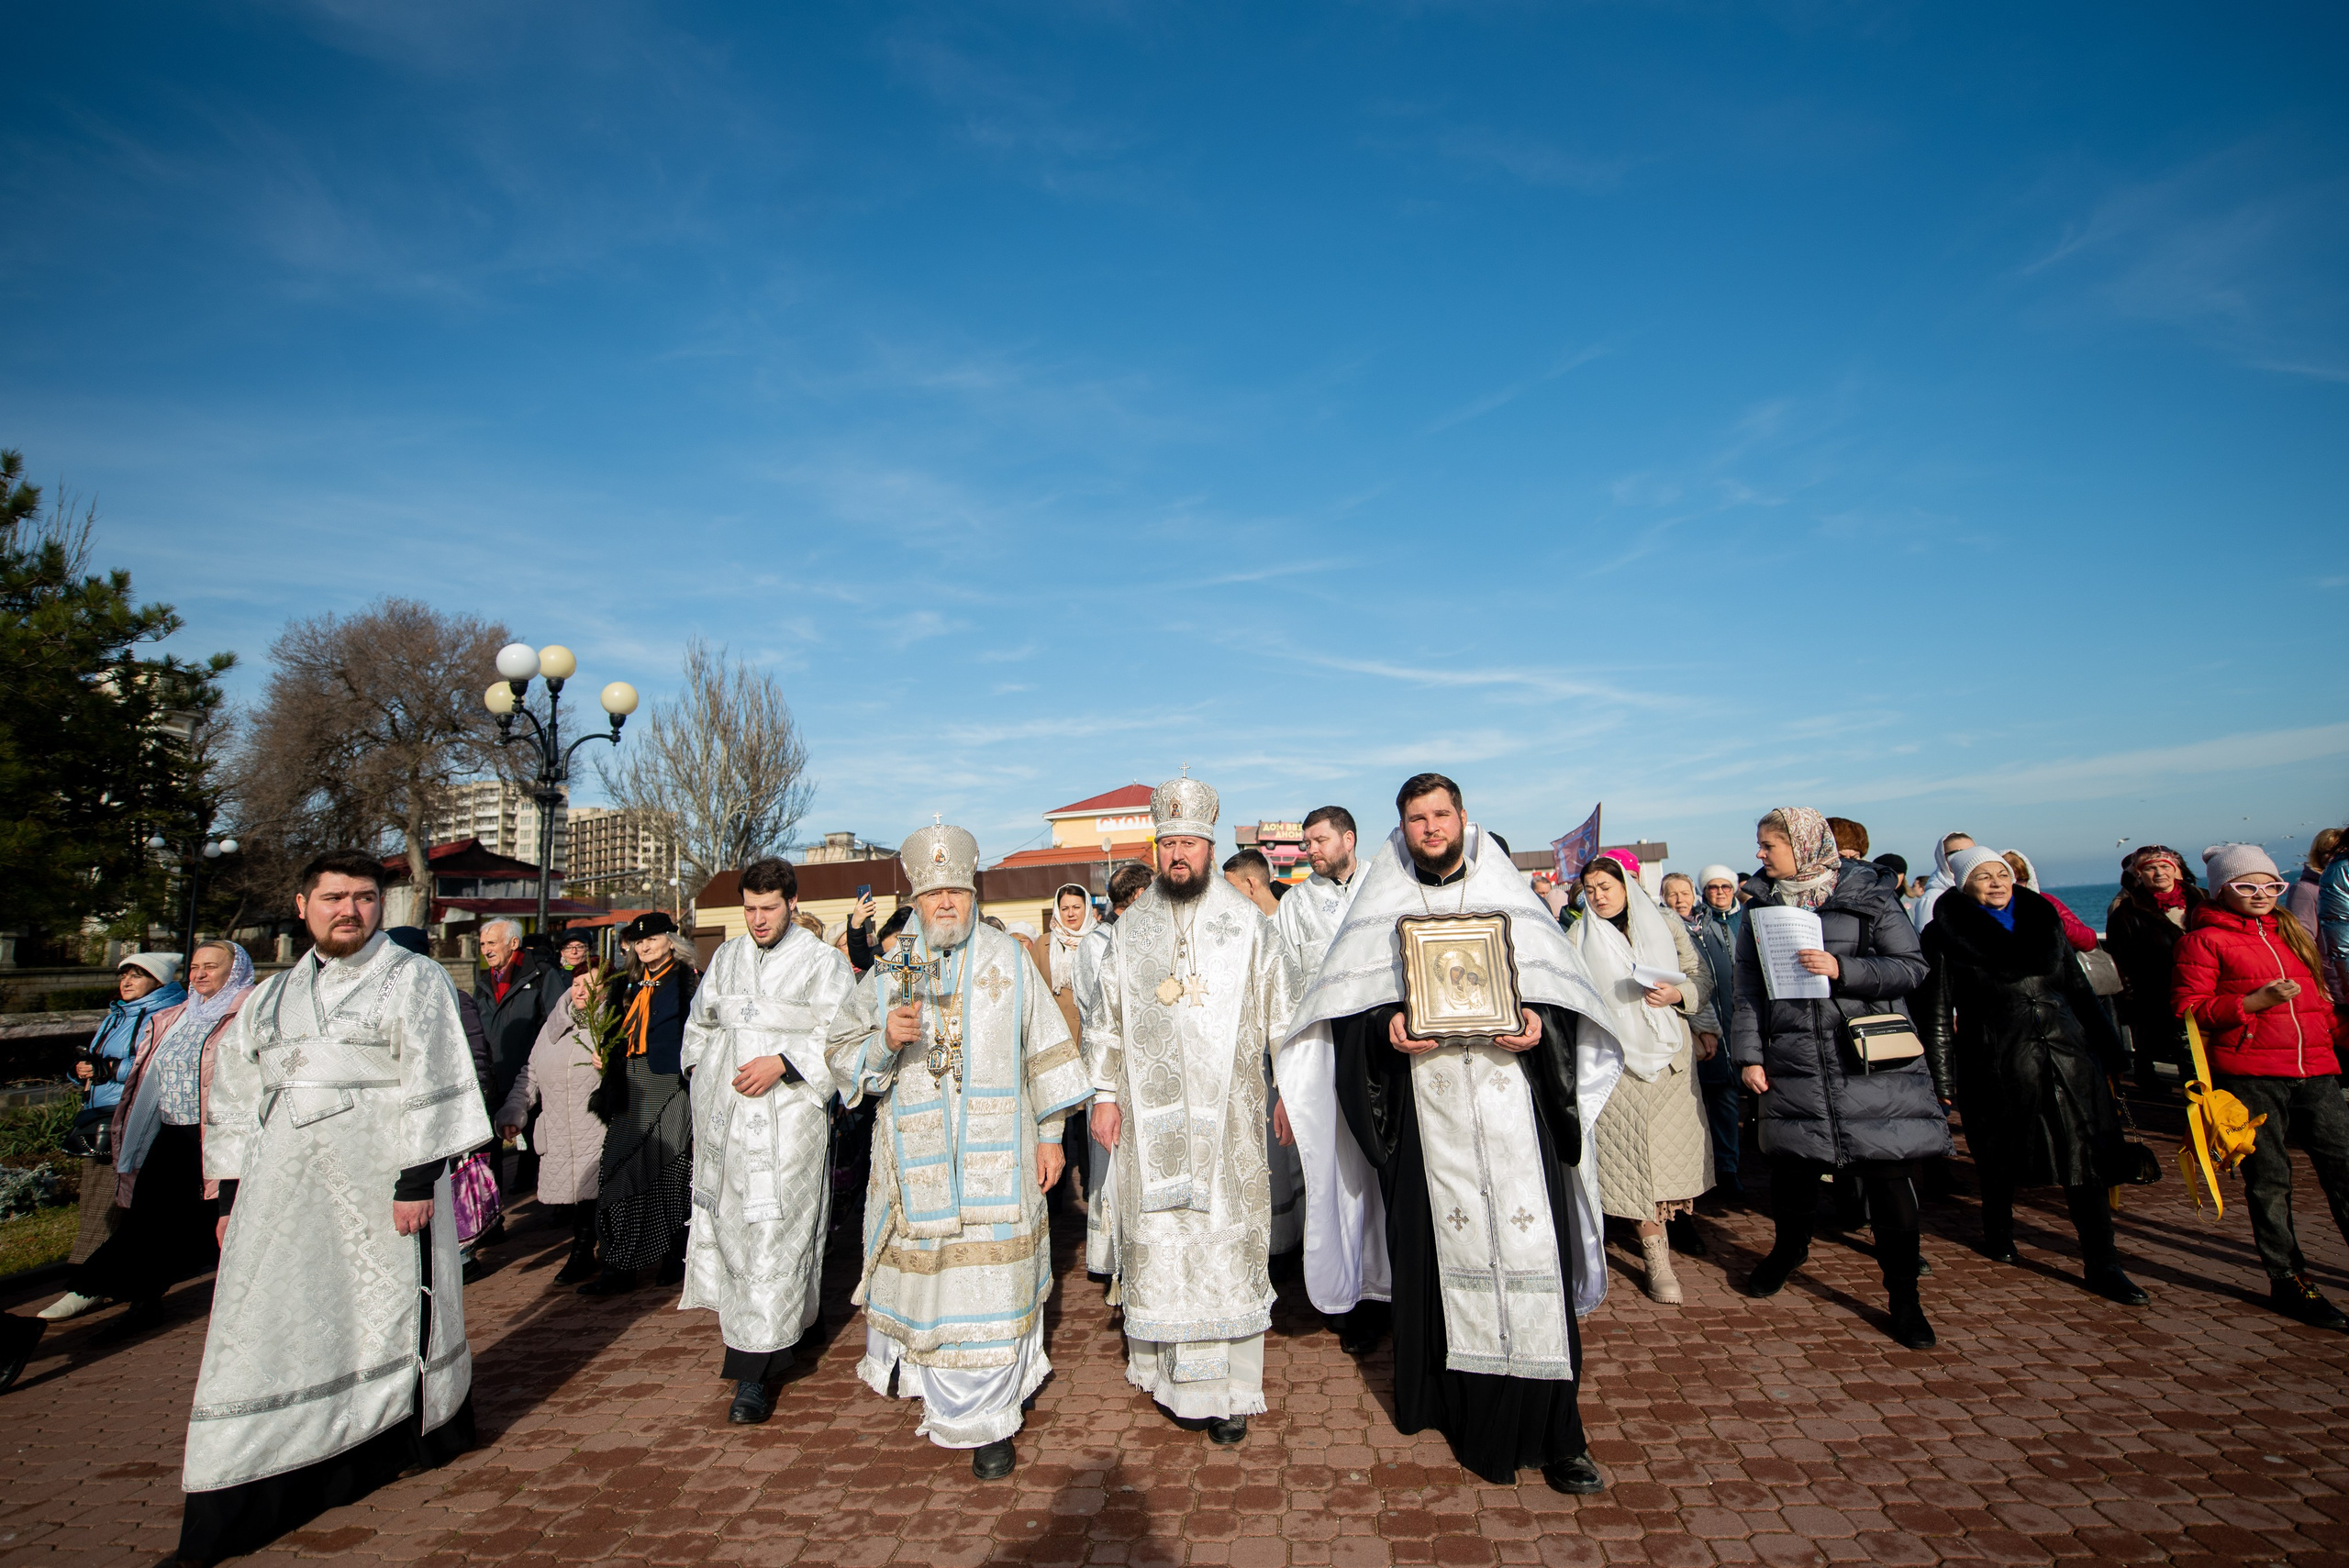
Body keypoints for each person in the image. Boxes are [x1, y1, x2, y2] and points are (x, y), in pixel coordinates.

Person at [1280, 773, 1618, 1493]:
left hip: (1516, 1122)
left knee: (1537, 1269)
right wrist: (1387, 1027)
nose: (1430, 827)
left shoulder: (1511, 899)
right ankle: (1458, 1411)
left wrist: (1538, 1026)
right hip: (1426, 1124)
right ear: (1401, 828)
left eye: (1440, 814)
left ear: (1463, 817)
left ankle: (1559, 1434)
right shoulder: (1382, 907)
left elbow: (1564, 1001)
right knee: (1438, 1273)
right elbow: (1348, 1011)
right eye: (1415, 818)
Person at [163, 850, 489, 1566]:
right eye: (335, 897)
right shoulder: (272, 997)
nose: (351, 910)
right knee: (279, 1316)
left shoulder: (414, 978)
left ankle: (396, 1431)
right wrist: (229, 1191)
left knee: (392, 1307)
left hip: (384, 1186)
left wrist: (415, 1180)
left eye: (366, 898)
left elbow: (437, 1075)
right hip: (285, 1195)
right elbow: (237, 1096)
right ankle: (282, 1448)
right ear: (304, 902)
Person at [826, 823, 1089, 1479]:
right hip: (919, 1166)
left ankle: (991, 1421)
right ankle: (943, 1399)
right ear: (917, 897)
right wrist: (885, 1037)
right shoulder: (892, 966)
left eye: (957, 891)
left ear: (973, 894)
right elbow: (840, 1054)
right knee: (937, 1292)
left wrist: (1053, 1135)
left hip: (1001, 1159)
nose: (946, 902)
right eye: (934, 891)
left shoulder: (1006, 957)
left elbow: (1046, 1050)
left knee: (994, 1287)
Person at [1085, 776, 1304, 1448]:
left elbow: (1286, 1012)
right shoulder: (1131, 927)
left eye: (1190, 843)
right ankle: (1159, 1370)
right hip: (1150, 1130)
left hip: (1231, 1123)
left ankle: (1229, 1391)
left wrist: (1290, 1089)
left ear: (1211, 846)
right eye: (1169, 842)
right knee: (1161, 1243)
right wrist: (1103, 1093)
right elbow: (1106, 1017)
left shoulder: (1248, 926)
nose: (1178, 854)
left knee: (1223, 1244)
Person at [1731, 807, 1946, 1350]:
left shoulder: (1871, 897)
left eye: (1769, 845)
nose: (1760, 855)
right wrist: (1750, 1056)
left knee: (1888, 1178)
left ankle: (1904, 1299)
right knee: (1793, 1172)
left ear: (1802, 847)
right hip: (1795, 1056)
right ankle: (1788, 1250)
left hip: (1865, 1058)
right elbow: (1748, 991)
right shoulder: (1759, 905)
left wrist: (1843, 969)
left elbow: (1912, 967)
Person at [673, 857, 859, 1424]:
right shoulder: (726, 958)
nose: (758, 919)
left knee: (776, 1236)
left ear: (792, 905)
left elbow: (844, 1034)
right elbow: (700, 1026)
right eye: (749, 908)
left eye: (769, 908)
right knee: (738, 1235)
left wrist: (783, 1061)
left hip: (788, 1125)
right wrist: (702, 1072)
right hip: (728, 1124)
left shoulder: (823, 963)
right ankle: (794, 1325)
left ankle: (751, 1375)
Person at [1919, 849, 2147, 1305]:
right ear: (1964, 885)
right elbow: (1938, 1013)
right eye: (1983, 877)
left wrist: (2110, 1051)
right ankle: (1997, 1228)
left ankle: (2103, 1262)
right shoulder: (1944, 932)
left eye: (2001, 874)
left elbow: (2078, 988)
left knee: (2087, 1158)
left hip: (2069, 1053)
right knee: (1999, 1152)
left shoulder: (2042, 917)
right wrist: (1941, 1084)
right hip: (1997, 1057)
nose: (1996, 883)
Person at [2171, 843, 2349, 1329]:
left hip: (2316, 1071)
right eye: (2246, 886)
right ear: (2221, 890)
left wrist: (2338, 1041)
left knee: (2345, 1167)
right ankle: (2288, 1279)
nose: (2261, 894)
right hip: (2250, 1076)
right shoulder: (2203, 941)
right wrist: (2252, 1002)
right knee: (2270, 1181)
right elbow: (2188, 1009)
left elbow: (2321, 1003)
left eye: (2271, 885)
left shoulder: (2293, 933)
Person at [63, 940, 256, 1340]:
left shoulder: (250, 1012)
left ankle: (244, 1310)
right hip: (170, 1132)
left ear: (234, 970)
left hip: (224, 1138)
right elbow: (148, 1074)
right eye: (196, 967)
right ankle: (136, 1299)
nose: (199, 974)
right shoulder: (176, 1016)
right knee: (148, 1214)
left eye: (211, 967)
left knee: (223, 1223)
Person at [1571, 852, 1715, 1300]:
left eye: (1606, 888)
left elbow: (1701, 977)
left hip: (1670, 1059)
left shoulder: (1665, 925)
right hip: (1615, 1061)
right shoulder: (1578, 935)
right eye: (1590, 890)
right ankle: (1656, 1260)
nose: (1598, 898)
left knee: (1669, 1158)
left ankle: (1675, 1232)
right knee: (1633, 1162)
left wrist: (1680, 995)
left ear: (1625, 887)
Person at [41, 952, 185, 1322]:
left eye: (137, 976)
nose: (127, 982)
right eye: (124, 975)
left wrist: (111, 1069)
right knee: (97, 1194)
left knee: (124, 1197)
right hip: (100, 1115)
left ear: (159, 980)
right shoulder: (116, 1014)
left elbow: (158, 1063)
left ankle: (102, 1278)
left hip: (136, 1116)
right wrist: (84, 1071)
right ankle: (95, 1273)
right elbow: (98, 1061)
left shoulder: (168, 1012)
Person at [581, 911, 697, 1296]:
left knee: (670, 1170)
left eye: (653, 938)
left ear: (671, 941)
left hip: (669, 1083)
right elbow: (615, 1031)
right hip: (630, 1084)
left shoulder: (687, 981)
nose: (645, 946)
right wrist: (607, 1057)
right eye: (638, 940)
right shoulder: (628, 984)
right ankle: (617, 1263)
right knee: (617, 1169)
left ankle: (672, 1255)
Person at [497, 963, 612, 1286]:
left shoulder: (611, 1023)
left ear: (603, 991)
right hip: (560, 1127)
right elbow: (530, 1073)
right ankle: (588, 1250)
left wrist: (609, 1067)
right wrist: (514, 1110)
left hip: (596, 1126)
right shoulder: (552, 1027)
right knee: (578, 1197)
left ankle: (584, 1252)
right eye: (576, 983)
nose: (579, 991)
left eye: (589, 986)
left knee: (595, 1194)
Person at [1026, 883, 1100, 1217]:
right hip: (1054, 1046)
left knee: (1089, 1121)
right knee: (1057, 1119)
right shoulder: (1042, 945)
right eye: (1066, 908)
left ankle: (1091, 1186)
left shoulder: (1099, 941)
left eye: (1077, 907)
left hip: (1090, 1042)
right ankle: (1054, 1195)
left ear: (1087, 908)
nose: (1071, 914)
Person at [2105, 845, 2203, 1092]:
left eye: (2164, 866)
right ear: (2139, 874)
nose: (2159, 872)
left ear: (2176, 869)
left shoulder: (2203, 899)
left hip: (2211, 993)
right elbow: (2122, 962)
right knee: (2191, 1068)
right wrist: (2130, 1004)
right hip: (2163, 998)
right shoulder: (2126, 914)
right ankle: (2196, 1124)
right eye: (2150, 868)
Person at [1688, 866, 1745, 1200]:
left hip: (1742, 1020)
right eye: (1712, 887)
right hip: (1714, 1023)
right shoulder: (1699, 927)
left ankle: (1734, 1165)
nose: (1720, 892)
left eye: (1726, 886)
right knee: (1717, 1101)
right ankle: (1721, 1168)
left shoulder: (1746, 921)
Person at [1999, 850, 2098, 952]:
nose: (2017, 886)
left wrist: (2058, 923)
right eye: (2011, 880)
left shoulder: (2046, 902)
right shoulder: (1988, 909)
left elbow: (2088, 940)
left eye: (2021, 880)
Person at [1909, 831, 1977, 932]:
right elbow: (1925, 940)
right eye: (1958, 853)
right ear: (1942, 858)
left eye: (1972, 851)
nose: (1966, 857)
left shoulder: (1981, 891)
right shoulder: (1932, 898)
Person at [2286, 828, 2341, 943]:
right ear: (2318, 856)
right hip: (2329, 961)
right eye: (2328, 852)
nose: (2334, 857)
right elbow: (2303, 940)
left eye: (2341, 852)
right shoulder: (2306, 889)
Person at [1221, 848, 1283, 916]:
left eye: (1231, 887)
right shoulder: (1237, 920)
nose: (1227, 894)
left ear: (1251, 884)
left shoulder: (1291, 919)